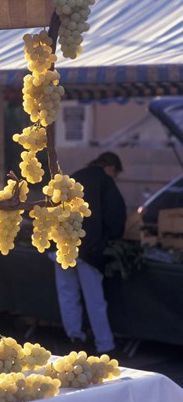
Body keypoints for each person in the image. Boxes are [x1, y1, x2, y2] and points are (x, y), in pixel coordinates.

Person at [53, 151, 127, 353]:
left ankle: (75, 338)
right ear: (111, 168)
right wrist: (112, 237)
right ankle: (105, 345)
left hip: (62, 244)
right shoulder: (105, 181)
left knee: (68, 295)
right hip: (89, 248)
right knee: (95, 299)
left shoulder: (75, 176)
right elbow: (116, 214)